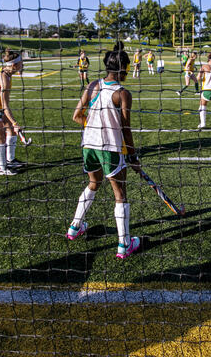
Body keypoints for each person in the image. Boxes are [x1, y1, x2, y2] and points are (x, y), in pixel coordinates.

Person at [66, 41, 141, 259]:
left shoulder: (91, 86)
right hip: (110, 149)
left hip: (88, 145)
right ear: (123, 69)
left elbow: (76, 115)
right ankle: (124, 245)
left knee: (93, 183)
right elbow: (126, 130)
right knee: (120, 195)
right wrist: (134, 156)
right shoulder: (122, 93)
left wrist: (94, 129)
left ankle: (74, 227)